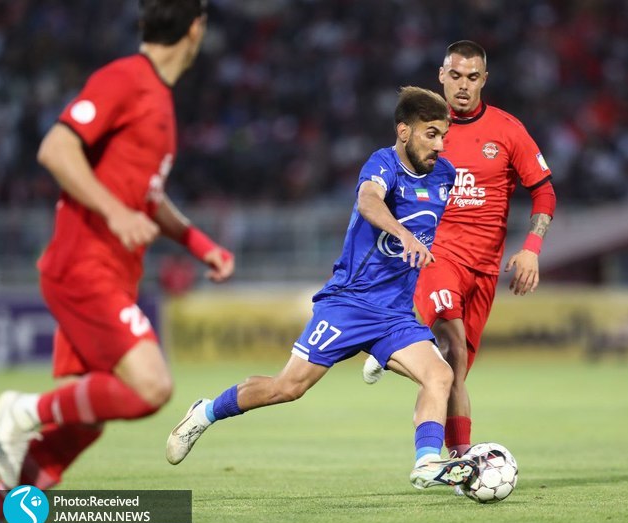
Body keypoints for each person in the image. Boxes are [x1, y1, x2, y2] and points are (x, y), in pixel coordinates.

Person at [165, 86, 479, 490]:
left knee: (440, 375)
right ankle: (205, 412)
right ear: (404, 131)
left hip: (395, 314)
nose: (439, 145)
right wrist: (402, 234)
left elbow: (436, 225)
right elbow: (368, 201)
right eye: (430, 134)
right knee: (288, 387)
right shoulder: (382, 164)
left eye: (443, 136)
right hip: (349, 304)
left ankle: (426, 462)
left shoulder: (445, 175)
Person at [0, 0, 234, 491]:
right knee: (151, 387)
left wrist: (198, 243)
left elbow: (148, 195)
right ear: (196, 28)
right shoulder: (126, 79)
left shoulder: (158, 97)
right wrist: (115, 212)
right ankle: (20, 410)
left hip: (111, 273)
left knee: (93, 413)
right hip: (83, 266)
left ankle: (8, 495)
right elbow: (56, 148)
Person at [363, 41, 557, 463]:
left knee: (456, 369)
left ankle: (397, 344)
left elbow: (543, 191)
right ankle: (455, 456)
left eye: (472, 77)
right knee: (452, 347)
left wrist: (531, 249)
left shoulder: (508, 130)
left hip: (484, 268)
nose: (463, 86)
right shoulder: (426, 132)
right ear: (441, 76)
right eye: (455, 76)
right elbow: (391, 184)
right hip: (436, 257)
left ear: (484, 79)